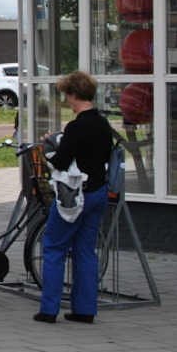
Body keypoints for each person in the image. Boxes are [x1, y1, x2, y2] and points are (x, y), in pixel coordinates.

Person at [34, 70, 113, 324]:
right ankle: (85, 309)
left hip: (75, 198)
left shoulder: (77, 126)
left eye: (67, 95)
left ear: (75, 94)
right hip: (99, 193)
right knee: (86, 251)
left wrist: (49, 144)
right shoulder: (103, 123)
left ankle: (48, 309)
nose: (66, 100)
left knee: (54, 247)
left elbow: (60, 161)